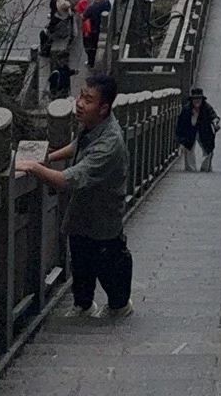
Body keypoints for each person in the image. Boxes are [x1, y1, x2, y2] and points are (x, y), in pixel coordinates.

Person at [16, 72, 133, 321]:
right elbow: (78, 144)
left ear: (103, 108)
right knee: (80, 259)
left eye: (88, 100)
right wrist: (50, 157)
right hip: (83, 211)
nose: (79, 103)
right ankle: (83, 305)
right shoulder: (92, 125)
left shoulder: (110, 143)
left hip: (103, 216)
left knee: (107, 264)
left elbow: (67, 180)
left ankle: (120, 306)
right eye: (81, 95)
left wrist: (35, 168)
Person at [176, 87, 220, 172]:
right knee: (188, 148)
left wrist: (215, 121)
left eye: (199, 99)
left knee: (208, 149)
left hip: (204, 130)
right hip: (190, 131)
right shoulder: (187, 109)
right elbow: (181, 123)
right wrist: (181, 138)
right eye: (195, 99)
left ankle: (205, 167)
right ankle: (190, 168)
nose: (197, 101)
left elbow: (213, 115)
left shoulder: (207, 107)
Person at [81, 0, 109, 72]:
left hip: (93, 31)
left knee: (91, 48)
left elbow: (84, 17)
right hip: (102, 28)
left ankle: (91, 63)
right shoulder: (106, 2)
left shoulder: (92, 8)